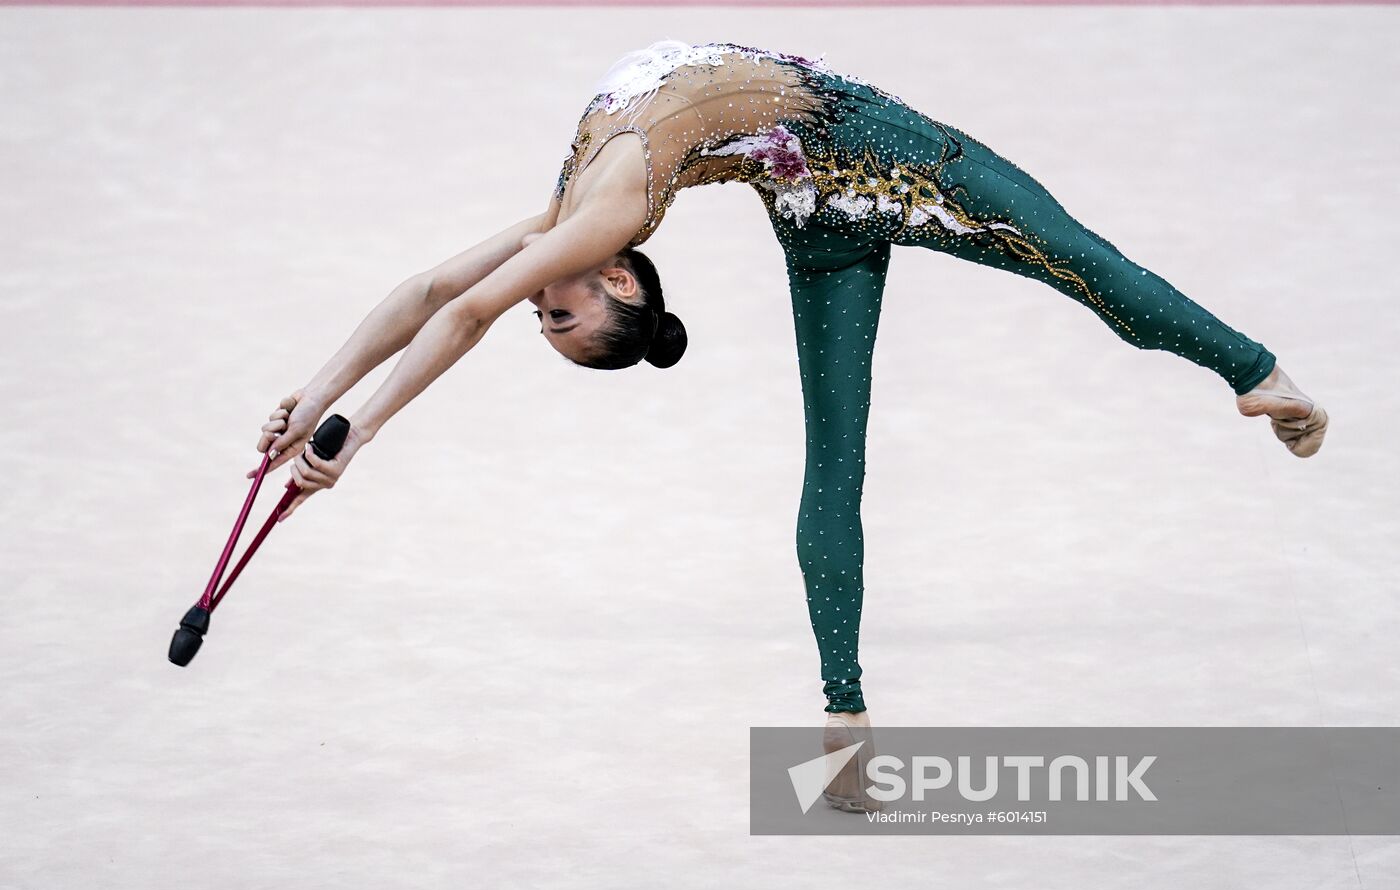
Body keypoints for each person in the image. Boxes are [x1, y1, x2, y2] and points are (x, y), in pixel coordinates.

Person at [251, 40, 1329, 813]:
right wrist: (325, 407)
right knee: (837, 457)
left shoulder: (598, 209)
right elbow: (444, 295)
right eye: (556, 315)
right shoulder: (591, 215)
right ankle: (845, 723)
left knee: (1095, 276)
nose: (540, 301)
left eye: (554, 313)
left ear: (621, 275)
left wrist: (342, 417)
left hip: (888, 153)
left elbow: (455, 299)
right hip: (815, 205)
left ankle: (1252, 373)